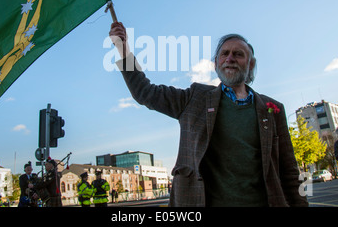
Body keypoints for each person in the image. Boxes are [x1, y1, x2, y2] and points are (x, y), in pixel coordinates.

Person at [109, 22, 308, 207]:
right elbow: (146, 92)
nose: (230, 58)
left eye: (238, 54)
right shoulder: (195, 98)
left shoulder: (273, 109)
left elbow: (290, 172)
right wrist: (123, 49)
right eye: (224, 54)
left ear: (251, 65)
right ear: (216, 64)